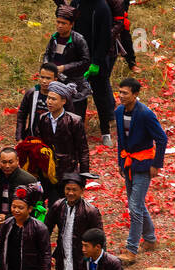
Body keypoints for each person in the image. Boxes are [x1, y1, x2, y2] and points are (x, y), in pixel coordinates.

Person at [114, 77, 166, 264]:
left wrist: (156, 164)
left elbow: (161, 139)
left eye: (125, 93)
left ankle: (131, 249)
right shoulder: (119, 112)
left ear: (135, 95)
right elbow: (121, 139)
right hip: (129, 164)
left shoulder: (145, 114)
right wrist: (121, 162)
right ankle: (150, 239)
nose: (121, 96)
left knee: (134, 207)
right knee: (137, 203)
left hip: (143, 164)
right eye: (120, 92)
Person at [47, 172, 102, 270]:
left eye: (74, 190)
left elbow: (99, 239)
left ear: (82, 190)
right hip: (66, 258)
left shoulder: (90, 211)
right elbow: (46, 230)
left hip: (84, 260)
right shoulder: (57, 206)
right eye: (68, 189)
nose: (70, 193)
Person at [35, 82, 90, 204]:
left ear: (63, 101)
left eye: (54, 99)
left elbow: (83, 149)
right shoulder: (43, 119)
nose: (49, 102)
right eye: (48, 98)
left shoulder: (74, 121)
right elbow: (39, 145)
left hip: (68, 170)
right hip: (47, 171)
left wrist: (83, 175)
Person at [75, 0, 117, 143]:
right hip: (79, 61)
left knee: (101, 98)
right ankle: (79, 130)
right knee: (79, 98)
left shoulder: (101, 7)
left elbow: (105, 37)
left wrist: (96, 61)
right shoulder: (77, 3)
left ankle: (105, 132)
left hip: (97, 61)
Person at [44, 7, 92, 120]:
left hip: (75, 83)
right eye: (58, 22)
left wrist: (64, 68)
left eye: (64, 23)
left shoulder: (78, 40)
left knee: (75, 116)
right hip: (57, 81)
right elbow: (47, 53)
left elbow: (85, 61)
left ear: (71, 24)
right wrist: (47, 66)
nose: (60, 25)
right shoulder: (54, 37)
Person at [0, 147, 39, 236]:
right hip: (0, 227)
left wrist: (8, 218)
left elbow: (35, 208)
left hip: (23, 229)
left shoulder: (29, 180)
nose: (7, 166)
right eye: (4, 162)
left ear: (17, 161)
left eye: (10, 162)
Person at [16, 63, 58, 141]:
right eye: (42, 77)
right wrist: (19, 137)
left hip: (54, 141)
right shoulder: (31, 93)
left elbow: (68, 120)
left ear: (55, 79)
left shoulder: (61, 96)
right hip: (32, 137)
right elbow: (22, 115)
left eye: (48, 78)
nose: (44, 81)